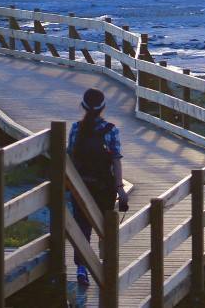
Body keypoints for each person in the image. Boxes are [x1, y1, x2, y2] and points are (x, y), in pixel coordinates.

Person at [68, 87, 130, 307]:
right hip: (105, 188)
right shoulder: (111, 130)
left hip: (81, 187)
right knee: (105, 227)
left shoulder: (76, 129)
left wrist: (72, 186)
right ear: (103, 107)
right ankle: (106, 268)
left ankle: (82, 269)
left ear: (83, 106)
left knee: (82, 227)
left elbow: (70, 159)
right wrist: (120, 189)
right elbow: (116, 160)